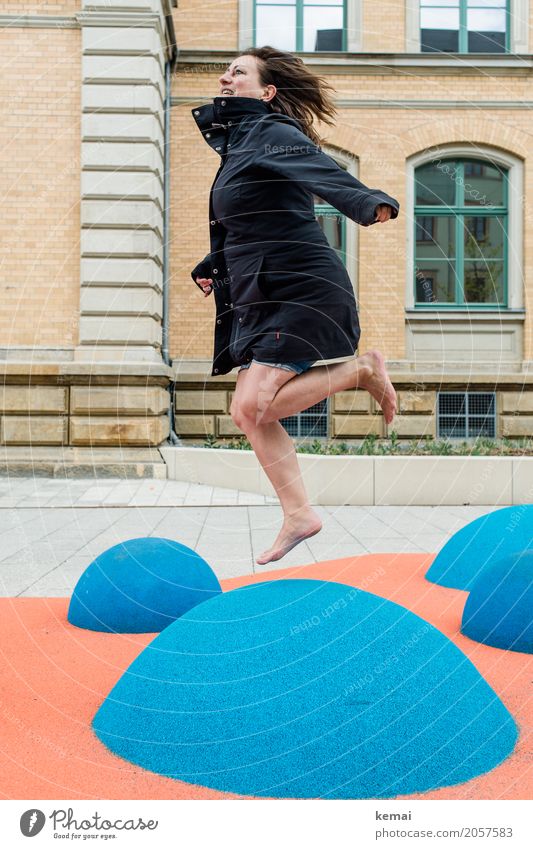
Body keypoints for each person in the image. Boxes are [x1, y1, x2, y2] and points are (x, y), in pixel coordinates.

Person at [190, 46, 400, 567]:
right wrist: (212, 265)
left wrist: (368, 202)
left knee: (257, 405)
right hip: (266, 296)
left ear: (266, 92)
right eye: (226, 70)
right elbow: (258, 222)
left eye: (238, 72)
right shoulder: (239, 147)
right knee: (246, 412)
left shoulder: (271, 133)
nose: (225, 76)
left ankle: (360, 370)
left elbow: (322, 172)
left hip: (303, 291)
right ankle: (299, 513)